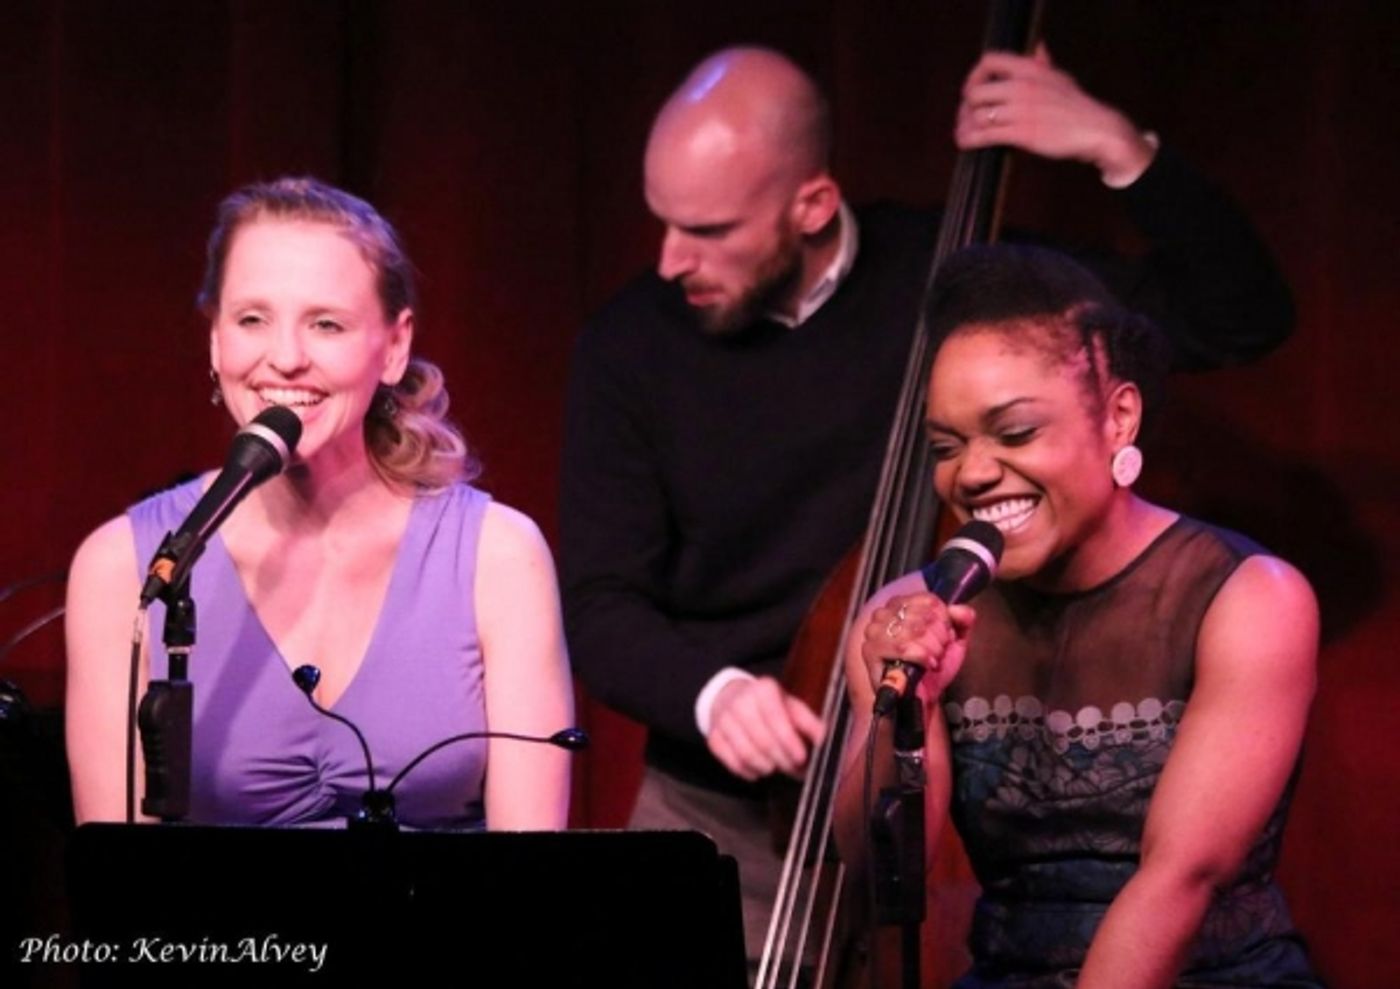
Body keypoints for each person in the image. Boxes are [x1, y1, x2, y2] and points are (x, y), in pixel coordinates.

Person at [559, 45, 1294, 954]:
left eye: (707, 230)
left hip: (953, 810)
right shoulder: (630, 345)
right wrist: (713, 696)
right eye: (662, 222)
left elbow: (1239, 314)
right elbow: (596, 602)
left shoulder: (962, 282)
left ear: (814, 205)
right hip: (723, 808)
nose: (671, 260)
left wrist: (1115, 146)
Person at [835, 243, 1321, 987]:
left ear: (1119, 416)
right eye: (946, 445)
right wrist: (904, 715)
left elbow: (1178, 881)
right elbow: (872, 879)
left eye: (1016, 432)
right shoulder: (911, 613)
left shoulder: (1249, 596)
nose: (972, 472)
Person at [66, 177, 573, 830]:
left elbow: (531, 890)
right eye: (252, 320)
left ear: (394, 346)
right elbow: (122, 890)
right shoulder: (125, 567)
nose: (284, 358)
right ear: (216, 340)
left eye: (325, 324)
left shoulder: (500, 557)